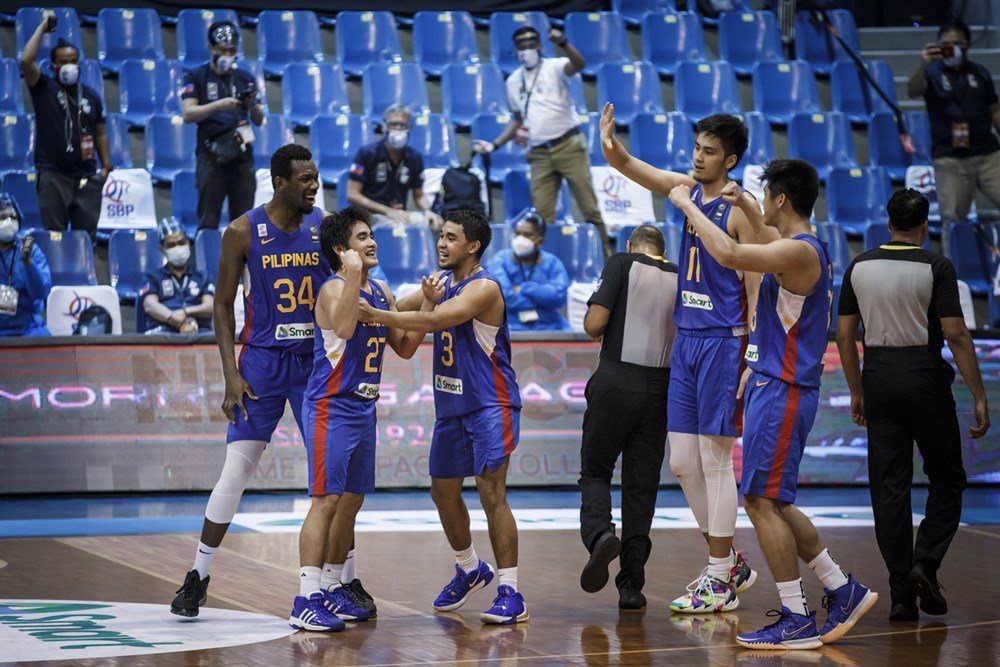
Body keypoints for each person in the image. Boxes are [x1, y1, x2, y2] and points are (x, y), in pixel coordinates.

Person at [669, 158, 878, 649]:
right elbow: (761, 237)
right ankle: (840, 588)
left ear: (781, 200)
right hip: (772, 382)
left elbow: (728, 252)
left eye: (764, 195)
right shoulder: (795, 245)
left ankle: (795, 614)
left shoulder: (799, 252)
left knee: (760, 501)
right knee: (774, 501)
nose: (759, 201)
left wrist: (685, 204)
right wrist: (742, 200)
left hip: (784, 390)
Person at [170, 146, 375, 623]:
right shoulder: (242, 231)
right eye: (304, 178)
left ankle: (344, 579)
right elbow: (222, 306)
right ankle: (198, 575)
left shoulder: (325, 225)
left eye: (317, 177)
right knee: (235, 473)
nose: (313, 185)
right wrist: (229, 374)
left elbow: (352, 288)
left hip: (315, 366)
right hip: (260, 364)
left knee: (336, 480)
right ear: (279, 182)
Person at [600, 103, 758, 614]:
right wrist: (611, 144)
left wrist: (752, 352)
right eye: (695, 148)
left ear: (729, 160)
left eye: (709, 152)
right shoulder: (686, 189)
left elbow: (755, 281)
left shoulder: (739, 206)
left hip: (723, 340)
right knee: (684, 462)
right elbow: (632, 168)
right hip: (687, 341)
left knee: (714, 460)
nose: (698, 158)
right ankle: (729, 561)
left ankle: (718, 576)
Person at [358, 210, 527, 625]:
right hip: (451, 407)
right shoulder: (441, 283)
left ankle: (511, 592)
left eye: (452, 238)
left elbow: (434, 320)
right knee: (442, 491)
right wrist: (358, 290)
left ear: (473, 246)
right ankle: (469, 568)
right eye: (441, 236)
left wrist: (380, 315)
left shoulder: (483, 288)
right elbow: (399, 314)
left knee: (491, 494)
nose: (442, 243)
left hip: (491, 403)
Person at [836, 188, 990, 622]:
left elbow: (846, 337)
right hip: (923, 376)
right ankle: (926, 563)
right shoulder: (936, 265)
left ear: (887, 223)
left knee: (889, 487)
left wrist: (856, 390)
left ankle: (901, 592)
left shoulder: (859, 265)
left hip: (879, 377)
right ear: (925, 226)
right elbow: (957, 335)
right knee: (948, 476)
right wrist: (978, 394)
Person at [293, 207, 426, 631]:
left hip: (364, 407)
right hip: (331, 406)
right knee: (326, 501)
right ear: (340, 249)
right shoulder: (334, 289)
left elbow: (403, 347)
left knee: (351, 501)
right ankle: (305, 597)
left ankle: (332, 586)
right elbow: (347, 329)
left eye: (372, 235)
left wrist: (430, 302)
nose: (371, 243)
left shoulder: (381, 290)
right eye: (361, 237)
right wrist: (351, 275)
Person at [578, 225, 678, 609]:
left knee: (596, 470)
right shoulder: (679, 273)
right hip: (660, 389)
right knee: (641, 487)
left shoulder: (621, 262)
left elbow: (594, 325)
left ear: (632, 246)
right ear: (663, 251)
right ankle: (631, 585)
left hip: (616, 380)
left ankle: (600, 535)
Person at [473, 26, 609, 254]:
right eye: (521, 45)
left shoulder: (554, 66)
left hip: (569, 146)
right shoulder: (513, 82)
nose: (526, 49)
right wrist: (494, 144)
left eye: (530, 44)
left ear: (539, 46)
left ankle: (606, 258)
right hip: (539, 154)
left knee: (589, 208)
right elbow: (518, 120)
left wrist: (563, 42)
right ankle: (545, 262)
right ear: (515, 50)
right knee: (543, 216)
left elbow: (579, 64)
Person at [907, 19, 1000, 256]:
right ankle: (952, 275)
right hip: (950, 158)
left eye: (956, 44)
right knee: (952, 219)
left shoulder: (979, 73)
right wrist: (923, 65)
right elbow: (913, 90)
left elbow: (994, 110)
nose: (950, 48)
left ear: (967, 45)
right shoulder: (932, 72)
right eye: (945, 44)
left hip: (987, 154)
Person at [20, 17, 111, 241]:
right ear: (53, 66)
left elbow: (100, 133)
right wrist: (42, 28)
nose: (69, 66)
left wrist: (106, 166)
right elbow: (25, 60)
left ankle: (83, 277)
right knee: (55, 238)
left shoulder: (91, 95)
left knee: (85, 239)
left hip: (87, 178)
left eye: (73, 60)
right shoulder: (44, 88)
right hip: (54, 175)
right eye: (63, 61)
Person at [181, 20, 265, 231]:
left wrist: (253, 104)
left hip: (242, 157)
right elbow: (188, 114)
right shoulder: (196, 76)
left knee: (244, 224)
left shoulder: (244, 77)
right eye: (223, 50)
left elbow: (259, 119)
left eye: (232, 50)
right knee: (208, 219)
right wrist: (218, 106)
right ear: (211, 48)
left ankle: (242, 264)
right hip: (211, 158)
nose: (228, 54)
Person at [346, 105, 443, 229]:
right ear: (384, 126)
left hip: (399, 214)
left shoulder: (414, 157)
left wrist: (428, 211)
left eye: (403, 125)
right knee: (395, 226)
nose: (398, 129)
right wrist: (387, 211)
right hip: (369, 214)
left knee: (436, 223)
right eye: (393, 124)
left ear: (409, 127)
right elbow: (352, 194)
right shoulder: (367, 153)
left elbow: (418, 196)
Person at [486, 215, 571, 331]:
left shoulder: (552, 262)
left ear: (540, 242)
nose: (520, 239)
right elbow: (503, 297)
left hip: (550, 326)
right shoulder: (500, 260)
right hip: (511, 327)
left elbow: (559, 297)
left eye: (527, 235)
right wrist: (543, 301)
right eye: (518, 233)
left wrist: (524, 288)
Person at [138, 218, 214, 335]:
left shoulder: (202, 276)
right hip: (163, 330)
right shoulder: (152, 276)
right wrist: (177, 321)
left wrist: (185, 312)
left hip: (200, 331)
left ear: (188, 243)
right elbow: (150, 305)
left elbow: (210, 306)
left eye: (181, 242)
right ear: (162, 249)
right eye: (171, 245)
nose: (178, 248)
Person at [0, 196, 51, 337]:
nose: (9, 222)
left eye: (13, 217)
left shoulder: (31, 250)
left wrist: (28, 263)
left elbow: (40, 293)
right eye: (2, 217)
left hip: (27, 327)